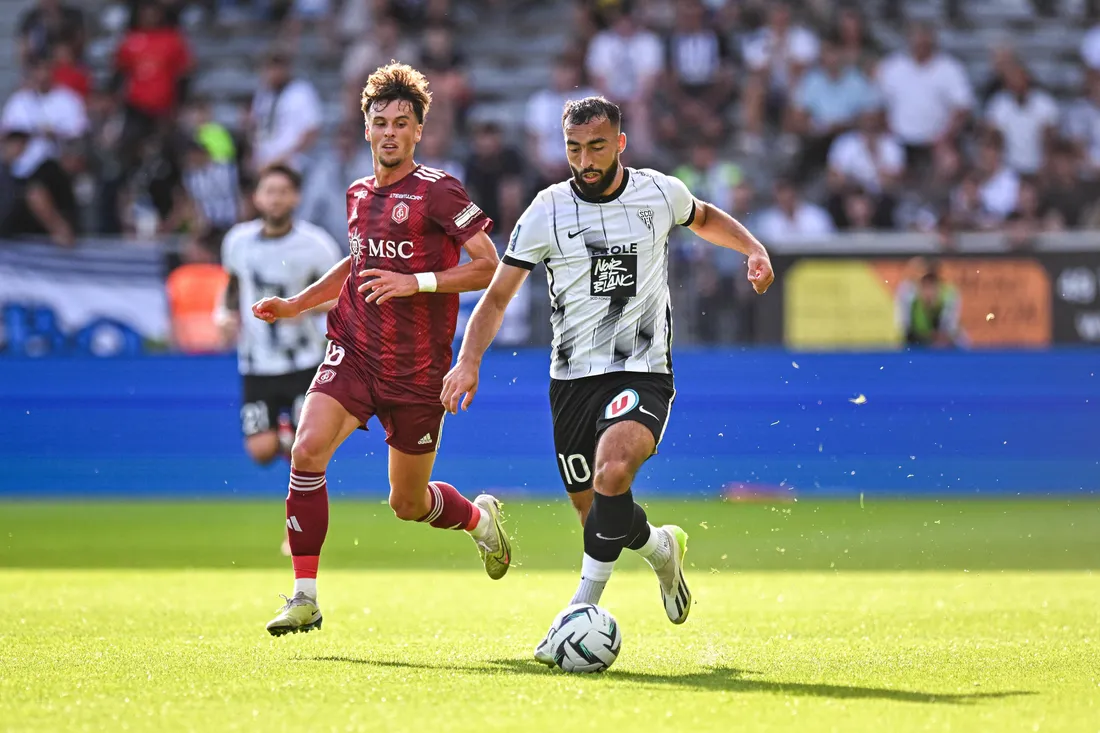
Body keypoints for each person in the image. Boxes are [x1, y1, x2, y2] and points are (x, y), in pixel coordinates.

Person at [441, 97, 774, 665]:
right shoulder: (546, 210)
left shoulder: (657, 193)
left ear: (620, 142)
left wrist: (753, 247)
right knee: (597, 512)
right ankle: (662, 549)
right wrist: (468, 360)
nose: (585, 159)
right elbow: (496, 297)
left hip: (642, 369)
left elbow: (704, 215)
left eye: (596, 146)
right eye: (574, 148)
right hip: (571, 380)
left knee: (613, 470)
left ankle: (576, 610)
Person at [250, 63, 509, 636]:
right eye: (380, 122)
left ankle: (477, 519)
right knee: (307, 451)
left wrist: (414, 282)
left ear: (419, 130)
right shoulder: (358, 194)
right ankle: (304, 596)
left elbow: (488, 265)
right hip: (356, 350)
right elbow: (360, 263)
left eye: (401, 122)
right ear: (366, 128)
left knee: (407, 504)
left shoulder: (439, 192)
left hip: (418, 370)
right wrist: (298, 304)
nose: (390, 131)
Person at [219, 164, 344, 557]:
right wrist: (223, 316)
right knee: (261, 450)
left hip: (305, 360)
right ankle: (286, 437)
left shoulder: (316, 244)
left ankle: (298, 531)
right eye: (268, 191)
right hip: (256, 362)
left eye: (283, 191)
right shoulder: (238, 241)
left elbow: (344, 293)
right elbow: (232, 285)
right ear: (257, 197)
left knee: (307, 450)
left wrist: (302, 308)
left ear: (296, 197)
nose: (275, 198)